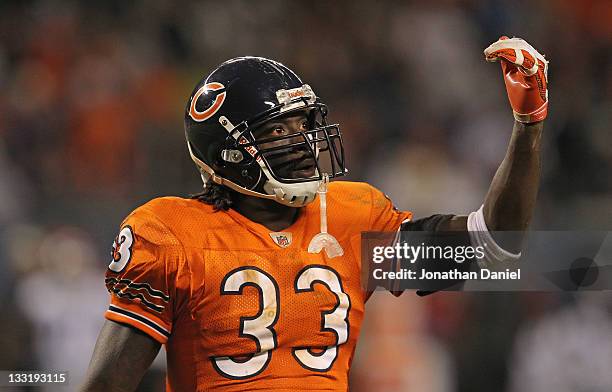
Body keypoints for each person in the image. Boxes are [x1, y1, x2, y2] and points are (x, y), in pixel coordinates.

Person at [81, 36, 548, 391]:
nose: (304, 142)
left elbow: (490, 248)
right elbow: (107, 384)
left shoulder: (351, 218)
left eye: (304, 124)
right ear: (229, 152)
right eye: (279, 129)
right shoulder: (171, 233)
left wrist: (527, 128)